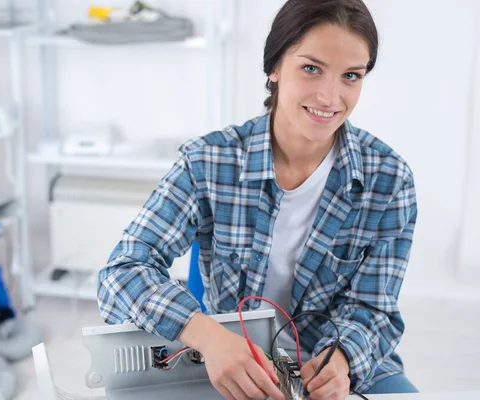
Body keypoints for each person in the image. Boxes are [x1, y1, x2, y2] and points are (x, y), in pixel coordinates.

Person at [97, 0, 419, 399]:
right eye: (311, 68)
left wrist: (341, 361)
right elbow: (122, 272)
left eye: (351, 76)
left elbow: (374, 309)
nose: (330, 97)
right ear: (275, 67)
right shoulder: (207, 162)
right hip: (234, 364)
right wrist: (210, 338)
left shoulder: (389, 180)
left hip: (345, 371)